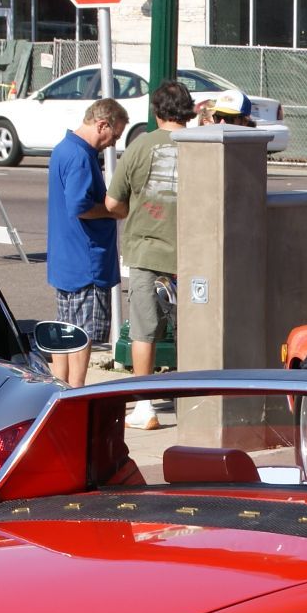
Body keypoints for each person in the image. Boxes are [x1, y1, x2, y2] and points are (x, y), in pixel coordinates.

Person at [111, 80, 196, 428]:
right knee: (193, 331)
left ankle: (145, 407)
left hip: (147, 250)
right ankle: (193, 404)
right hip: (193, 254)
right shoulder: (201, 145)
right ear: (188, 111)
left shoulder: (140, 145)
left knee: (144, 331)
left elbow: (113, 202)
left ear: (157, 111)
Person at [45, 97, 126, 389]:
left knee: (66, 330)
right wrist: (113, 209)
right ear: (102, 124)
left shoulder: (62, 149)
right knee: (82, 333)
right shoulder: (81, 156)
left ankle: (60, 387)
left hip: (65, 259)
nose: (112, 143)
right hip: (86, 260)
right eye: (113, 135)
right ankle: (76, 391)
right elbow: (80, 206)